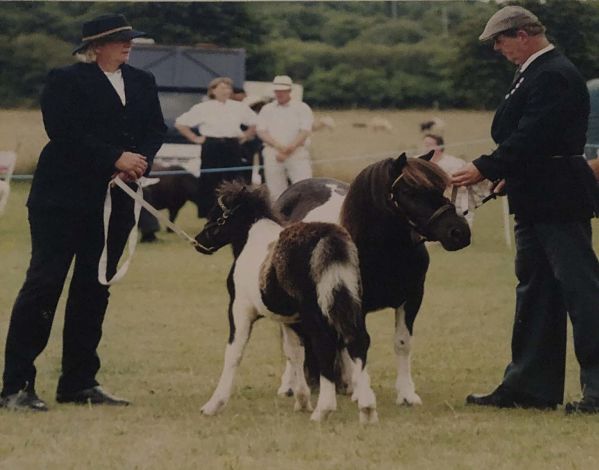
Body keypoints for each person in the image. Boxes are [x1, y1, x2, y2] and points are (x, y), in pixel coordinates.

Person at [0, 14, 166, 411]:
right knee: (44, 285)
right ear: (97, 46)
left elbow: (155, 129)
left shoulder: (143, 82)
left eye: (130, 40)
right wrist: (114, 157)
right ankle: (16, 385)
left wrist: (139, 161)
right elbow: (64, 132)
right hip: (62, 200)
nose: (128, 46)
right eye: (121, 41)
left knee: (95, 288)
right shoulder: (66, 80)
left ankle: (78, 381)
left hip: (116, 200)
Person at [452, 6, 599, 414]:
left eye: (500, 40)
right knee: (536, 289)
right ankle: (531, 386)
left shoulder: (552, 73)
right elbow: (529, 138)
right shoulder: (535, 71)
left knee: (581, 290)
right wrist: (509, 175)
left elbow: (532, 135)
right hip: (536, 194)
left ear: (523, 34)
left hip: (558, 196)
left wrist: (485, 166)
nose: (497, 48)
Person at [174, 77, 257, 217]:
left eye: (228, 88)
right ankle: (210, 214)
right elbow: (180, 123)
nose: (226, 91)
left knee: (233, 180)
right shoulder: (203, 107)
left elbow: (255, 122)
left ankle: (233, 213)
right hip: (211, 146)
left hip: (232, 145)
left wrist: (245, 135)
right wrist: (194, 138)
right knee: (210, 180)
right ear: (213, 90)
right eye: (222, 88)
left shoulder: (238, 107)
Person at [256, 75, 314, 201]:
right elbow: (261, 131)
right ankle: (280, 218)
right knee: (275, 191)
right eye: (277, 91)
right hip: (273, 153)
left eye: (282, 91)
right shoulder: (267, 109)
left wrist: (289, 149)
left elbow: (304, 131)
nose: (279, 93)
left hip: (297, 152)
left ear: (289, 91)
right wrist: (278, 147)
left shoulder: (302, 108)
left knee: (304, 186)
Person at [422, 134, 475, 228]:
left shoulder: (453, 163)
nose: (426, 148)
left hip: (455, 201)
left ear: (439, 147)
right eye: (425, 145)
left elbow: (462, 185)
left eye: (429, 145)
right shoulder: (421, 164)